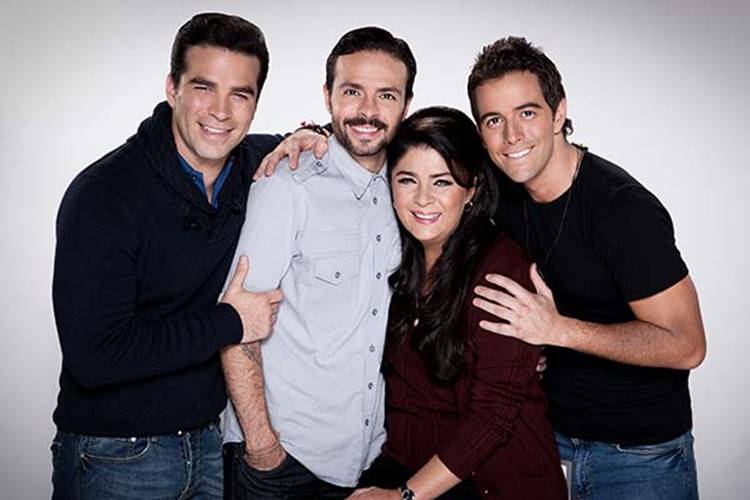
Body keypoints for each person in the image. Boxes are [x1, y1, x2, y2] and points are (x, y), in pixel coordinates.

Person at [50, 13, 285, 499]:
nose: (220, 111)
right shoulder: (105, 195)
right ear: (172, 88)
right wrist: (231, 323)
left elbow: (300, 142)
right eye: (204, 87)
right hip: (116, 455)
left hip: (209, 444)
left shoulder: (251, 165)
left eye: (240, 94)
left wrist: (312, 134)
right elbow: (96, 356)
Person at [468, 37, 706, 499]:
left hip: (639, 456)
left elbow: (687, 344)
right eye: (494, 120)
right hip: (549, 438)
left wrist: (557, 330)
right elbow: (419, 158)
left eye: (527, 112)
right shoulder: (501, 187)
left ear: (559, 113)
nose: (511, 135)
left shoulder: (621, 210)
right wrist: (320, 141)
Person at [220, 27, 416, 498]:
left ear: (406, 105)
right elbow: (235, 322)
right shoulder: (288, 185)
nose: (368, 110)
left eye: (386, 95)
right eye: (352, 92)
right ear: (328, 96)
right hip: (283, 459)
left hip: (369, 459)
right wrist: (263, 447)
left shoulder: (411, 191)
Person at [347, 107, 566, 500]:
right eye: (407, 180)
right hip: (407, 468)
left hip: (492, 484)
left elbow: (493, 415)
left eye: (442, 182)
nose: (423, 199)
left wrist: (404, 497)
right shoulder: (395, 257)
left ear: (471, 190)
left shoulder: (501, 270)